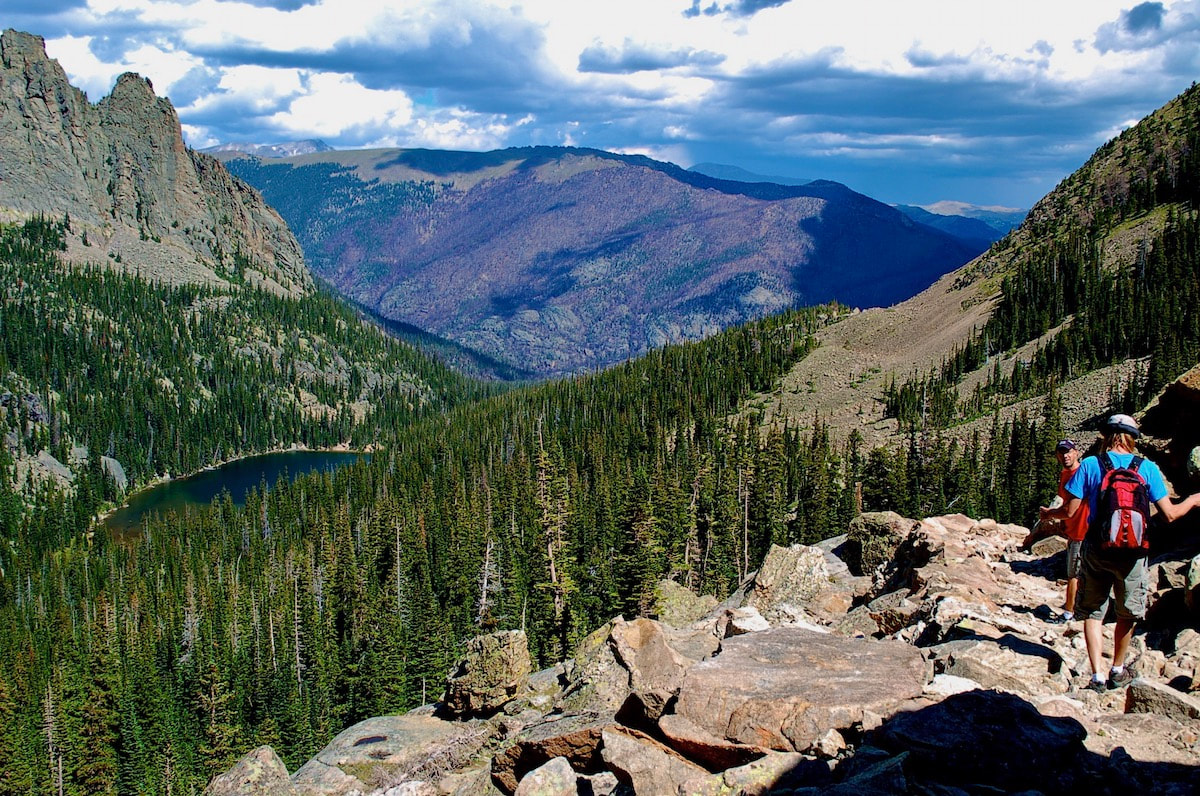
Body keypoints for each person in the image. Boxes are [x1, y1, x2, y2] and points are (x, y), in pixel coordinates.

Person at [1063, 414, 1200, 692]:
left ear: (1107, 436)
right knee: (1127, 613)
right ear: (1132, 439)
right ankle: (1117, 668)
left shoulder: (1090, 464)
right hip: (1134, 553)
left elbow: (1070, 512)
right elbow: (1170, 515)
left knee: (1092, 612)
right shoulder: (1146, 468)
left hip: (1097, 549)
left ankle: (1097, 676)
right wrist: (1193, 500)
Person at [1035, 439, 1089, 623]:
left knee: (1074, 575)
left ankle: (1069, 613)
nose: (1065, 455)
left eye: (1068, 452)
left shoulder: (1079, 474)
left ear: (1076, 452)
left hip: (1083, 530)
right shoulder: (1066, 474)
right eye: (1061, 452)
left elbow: (1069, 510)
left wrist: (1049, 514)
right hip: (1075, 530)